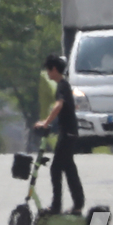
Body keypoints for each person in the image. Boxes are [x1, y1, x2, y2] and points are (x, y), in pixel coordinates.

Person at [34, 55, 83, 215]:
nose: (47, 74)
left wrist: (46, 123)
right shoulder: (64, 85)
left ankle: (56, 206)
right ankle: (78, 204)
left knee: (56, 168)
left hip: (67, 133)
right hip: (69, 131)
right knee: (69, 168)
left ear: (54, 69)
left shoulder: (61, 86)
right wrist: (51, 123)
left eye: (48, 70)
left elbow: (59, 106)